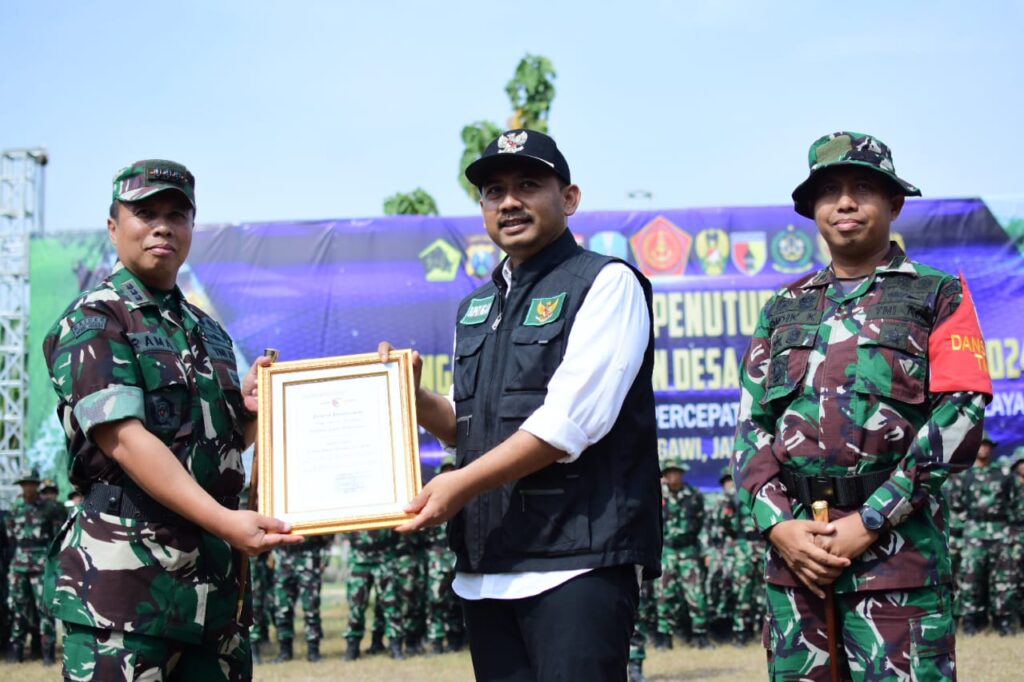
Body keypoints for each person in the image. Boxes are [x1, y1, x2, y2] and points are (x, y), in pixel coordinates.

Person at [379, 128, 662, 681]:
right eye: (493, 191)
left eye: (528, 185)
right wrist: (406, 396)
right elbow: (469, 428)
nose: (509, 202)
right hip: (488, 565)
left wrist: (458, 485)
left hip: (577, 561)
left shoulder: (607, 284)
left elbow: (566, 425)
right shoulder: (475, 308)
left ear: (570, 198)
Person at [733, 131, 992, 680]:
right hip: (798, 568)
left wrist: (870, 521)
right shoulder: (783, 308)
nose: (845, 202)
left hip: (898, 565)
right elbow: (751, 428)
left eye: (863, 188)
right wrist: (780, 527)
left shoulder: (938, 296)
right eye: (829, 190)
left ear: (894, 203)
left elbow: (962, 416)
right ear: (813, 210)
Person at [42, 159, 302, 681]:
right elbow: (127, 442)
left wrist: (252, 411)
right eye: (145, 213)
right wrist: (227, 522)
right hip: (124, 595)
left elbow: (220, 446)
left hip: (213, 597)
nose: (163, 225)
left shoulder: (208, 332)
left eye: (177, 214)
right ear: (114, 227)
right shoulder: (95, 319)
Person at [954, 434, 1016, 635]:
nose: (984, 448)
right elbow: (955, 506)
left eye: (988, 445)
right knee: (971, 578)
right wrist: (963, 529)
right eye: (980, 445)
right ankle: (972, 621)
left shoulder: (1004, 475)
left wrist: (1012, 531)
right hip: (973, 533)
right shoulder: (964, 476)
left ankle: (1003, 620)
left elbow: (1016, 504)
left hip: (1001, 532)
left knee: (1003, 580)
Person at [5, 467, 66, 665]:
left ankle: (47, 653)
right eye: (24, 484)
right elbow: (11, 535)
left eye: (31, 483)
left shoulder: (50, 508)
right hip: (19, 564)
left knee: (44, 609)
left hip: (41, 565)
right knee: (18, 608)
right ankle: (17, 650)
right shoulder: (15, 507)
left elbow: (57, 537)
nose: (27, 488)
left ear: (36, 485)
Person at [654, 458, 711, 650]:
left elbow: (703, 525)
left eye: (676, 472)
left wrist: (705, 552)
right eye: (668, 472)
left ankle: (700, 635)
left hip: (689, 551)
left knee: (696, 594)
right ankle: (664, 637)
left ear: (682, 473)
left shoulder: (694, 495)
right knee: (664, 594)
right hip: (667, 551)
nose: (673, 475)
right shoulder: (657, 494)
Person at [270, 533, 331, 662]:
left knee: (311, 607)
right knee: (282, 608)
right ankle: (285, 651)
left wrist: (325, 558)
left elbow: (328, 533)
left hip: (309, 558)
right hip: (283, 559)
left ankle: (313, 651)